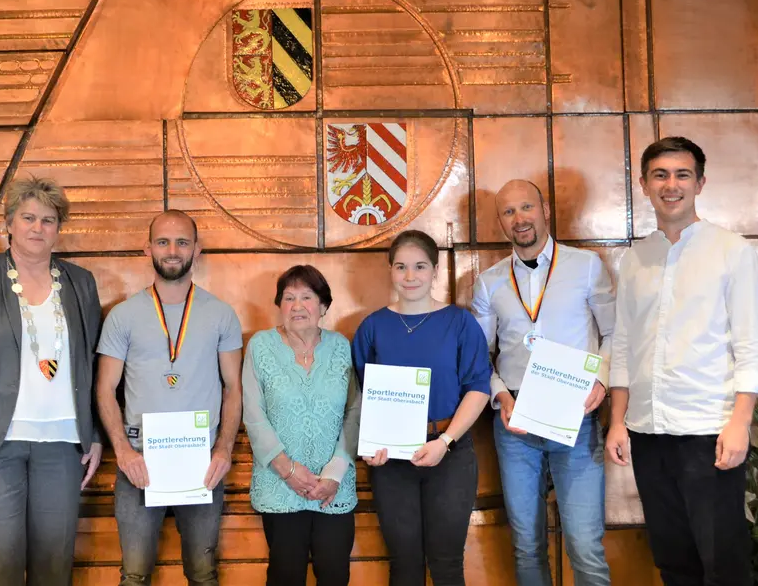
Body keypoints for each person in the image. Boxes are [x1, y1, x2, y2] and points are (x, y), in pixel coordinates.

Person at [605, 136, 758, 586]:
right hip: (647, 432)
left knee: (723, 563)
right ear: (644, 184)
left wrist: (740, 423)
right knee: (673, 560)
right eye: (660, 175)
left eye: (682, 175)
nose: (671, 185)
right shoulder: (635, 258)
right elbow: (624, 345)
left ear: (700, 183)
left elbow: (752, 346)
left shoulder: (731, 251)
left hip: (709, 431)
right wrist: (617, 422)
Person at [0, 177, 103, 585]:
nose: (37, 228)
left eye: (48, 220)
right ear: (8, 223)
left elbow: (91, 366)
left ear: (58, 228)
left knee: (54, 564)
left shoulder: (80, 282)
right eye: (28, 218)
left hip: (63, 445)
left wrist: (94, 434)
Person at [470, 180, 614, 586]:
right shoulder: (489, 282)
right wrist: (500, 395)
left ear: (545, 210)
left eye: (527, 207)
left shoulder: (586, 266)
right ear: (500, 222)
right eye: (509, 212)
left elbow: (615, 333)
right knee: (526, 544)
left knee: (585, 544)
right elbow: (478, 357)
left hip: (578, 414)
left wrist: (601, 381)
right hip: (515, 421)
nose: (520, 219)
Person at [95, 210, 244, 586]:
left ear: (197, 249)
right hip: (139, 461)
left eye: (182, 242)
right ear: (148, 249)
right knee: (134, 576)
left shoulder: (221, 315)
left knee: (203, 574)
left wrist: (223, 450)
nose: (172, 250)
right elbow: (105, 389)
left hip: (203, 463)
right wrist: (123, 453)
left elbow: (233, 388)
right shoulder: (123, 316)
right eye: (163, 242)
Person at [352, 230, 492, 586]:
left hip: (449, 454)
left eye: (419, 266)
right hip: (391, 461)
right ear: (390, 270)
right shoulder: (372, 327)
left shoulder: (460, 323)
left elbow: (478, 388)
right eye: (401, 267)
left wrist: (444, 441)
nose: (410, 276)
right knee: (404, 563)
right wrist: (370, 444)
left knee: (446, 564)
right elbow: (362, 394)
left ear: (435, 270)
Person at [242, 265, 360, 586]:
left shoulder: (341, 347)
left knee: (335, 575)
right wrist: (288, 470)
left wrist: (335, 472)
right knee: (285, 576)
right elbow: (253, 413)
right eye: (288, 297)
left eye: (307, 297)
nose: (297, 306)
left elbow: (354, 411)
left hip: (332, 486)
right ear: (279, 305)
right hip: (279, 484)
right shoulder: (260, 346)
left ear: (323, 305)